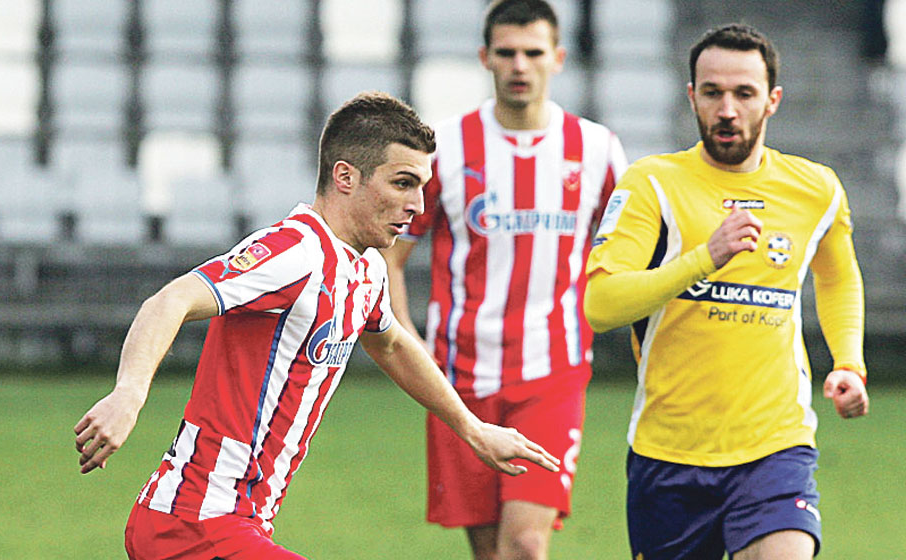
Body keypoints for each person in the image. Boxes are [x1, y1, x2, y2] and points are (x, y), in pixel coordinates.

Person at [73, 91, 560, 560]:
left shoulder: (366, 270)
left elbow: (392, 345)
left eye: (422, 187)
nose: (417, 205)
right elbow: (171, 299)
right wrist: (129, 393)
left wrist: (473, 429)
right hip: (194, 524)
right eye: (403, 183)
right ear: (345, 176)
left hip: (237, 523)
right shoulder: (294, 253)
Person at [584, 24, 870, 559]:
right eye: (713, 93)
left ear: (772, 100)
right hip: (668, 454)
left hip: (776, 447)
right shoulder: (652, 183)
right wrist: (704, 258)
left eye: (744, 93)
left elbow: (837, 276)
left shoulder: (816, 189)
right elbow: (601, 305)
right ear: (692, 96)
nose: (728, 110)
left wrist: (849, 362)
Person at [381, 1, 627, 558]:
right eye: (507, 52)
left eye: (533, 52)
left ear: (557, 58)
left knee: (525, 543)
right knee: (491, 550)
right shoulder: (445, 149)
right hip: (460, 375)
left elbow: (628, 251)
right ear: (485, 57)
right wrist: (410, 343)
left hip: (552, 371)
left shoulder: (596, 150)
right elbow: (390, 256)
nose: (520, 65)